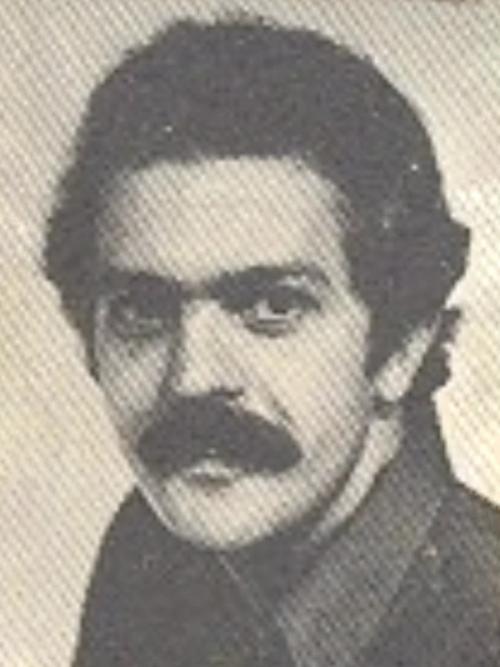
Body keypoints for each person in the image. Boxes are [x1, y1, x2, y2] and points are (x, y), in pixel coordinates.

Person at [44, 17, 500, 667]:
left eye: (273, 308)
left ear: (403, 345)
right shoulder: (152, 551)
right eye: (142, 310)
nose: (191, 377)